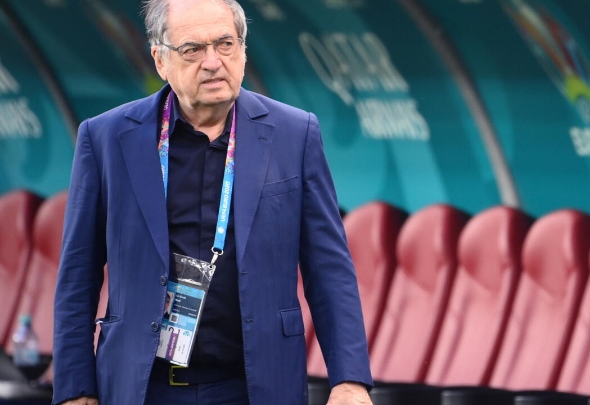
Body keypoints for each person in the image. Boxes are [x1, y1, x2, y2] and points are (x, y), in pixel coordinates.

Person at [52, 0, 373, 404]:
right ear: (160, 60)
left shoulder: (295, 134)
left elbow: (329, 269)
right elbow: (78, 275)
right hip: (143, 387)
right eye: (192, 49)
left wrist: (350, 380)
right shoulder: (106, 138)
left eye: (225, 44)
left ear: (243, 49)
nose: (213, 62)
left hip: (256, 385)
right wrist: (75, 389)